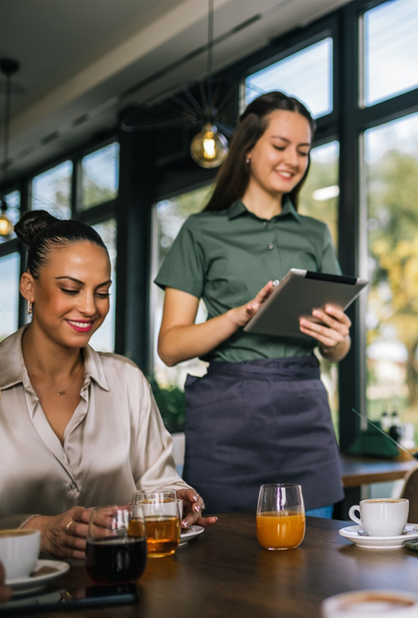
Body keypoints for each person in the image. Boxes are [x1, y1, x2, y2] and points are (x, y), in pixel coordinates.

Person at [155, 91, 349, 516]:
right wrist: (241, 315)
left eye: (303, 151)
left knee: (315, 562)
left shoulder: (315, 235)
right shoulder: (200, 231)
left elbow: (336, 349)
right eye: (280, 146)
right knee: (224, 567)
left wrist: (337, 340)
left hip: (305, 411)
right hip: (228, 418)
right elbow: (170, 346)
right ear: (246, 149)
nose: (293, 160)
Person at [0, 211, 216, 560]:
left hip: (125, 587)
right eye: (70, 289)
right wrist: (39, 531)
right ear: (29, 287)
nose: (89, 307)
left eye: (102, 292)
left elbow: (159, 483)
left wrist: (176, 499)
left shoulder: (127, 381)